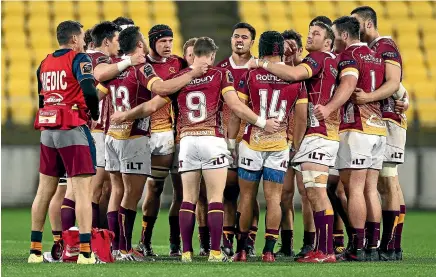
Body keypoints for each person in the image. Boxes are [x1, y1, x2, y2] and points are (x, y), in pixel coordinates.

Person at [111, 36, 280, 263]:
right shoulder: (220, 74)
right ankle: (215, 253)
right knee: (215, 199)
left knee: (188, 199)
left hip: (187, 141)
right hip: (212, 139)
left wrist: (125, 114)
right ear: (211, 55)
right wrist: (262, 122)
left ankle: (187, 252)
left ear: (194, 53)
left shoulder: (178, 77)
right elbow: (237, 106)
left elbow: (151, 106)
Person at [98, 26, 207, 261]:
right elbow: (161, 89)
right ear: (141, 44)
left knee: (117, 192)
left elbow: (97, 89)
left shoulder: (114, 66)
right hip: (134, 135)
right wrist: (191, 73)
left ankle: (115, 248)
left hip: (111, 136)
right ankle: (126, 249)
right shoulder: (141, 67)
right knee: (131, 195)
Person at [252, 22, 339, 263]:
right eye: (309, 33)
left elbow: (292, 74)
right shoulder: (329, 60)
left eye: (316, 34)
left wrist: (260, 62)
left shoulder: (318, 57)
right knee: (313, 193)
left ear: (328, 42)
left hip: (317, 134)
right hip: (321, 134)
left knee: (317, 194)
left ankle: (325, 250)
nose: (311, 36)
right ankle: (322, 248)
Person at [314, 16, 386, 261]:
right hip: (379, 129)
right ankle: (373, 247)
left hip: (357, 127)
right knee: (370, 189)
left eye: (334, 36)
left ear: (344, 36)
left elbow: (348, 84)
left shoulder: (349, 57)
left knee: (353, 188)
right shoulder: (376, 55)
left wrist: (329, 106)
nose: (333, 41)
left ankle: (356, 247)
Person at [29, 20, 100, 264]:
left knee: (43, 192)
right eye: (81, 37)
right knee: (82, 192)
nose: (84, 41)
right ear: (73, 39)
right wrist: (95, 113)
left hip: (47, 129)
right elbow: (89, 90)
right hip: (71, 127)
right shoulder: (79, 59)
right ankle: (85, 253)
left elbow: (41, 99)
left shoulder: (44, 62)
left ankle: (35, 251)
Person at [233, 31, 308, 263]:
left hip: (251, 142)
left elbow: (238, 110)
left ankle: (242, 250)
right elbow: (302, 117)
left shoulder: (251, 74)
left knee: (246, 197)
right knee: (274, 199)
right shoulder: (295, 78)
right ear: (281, 50)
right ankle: (268, 251)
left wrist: (232, 140)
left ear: (261, 49)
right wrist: (295, 144)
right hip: (279, 145)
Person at [351, 6, 408, 261]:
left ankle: (391, 244)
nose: (353, 28)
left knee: (388, 180)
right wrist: (403, 97)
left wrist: (369, 98)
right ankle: (391, 245)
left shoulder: (385, 46)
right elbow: (399, 88)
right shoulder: (368, 50)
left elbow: (394, 82)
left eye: (356, 24)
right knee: (386, 181)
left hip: (389, 119)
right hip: (378, 118)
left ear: (368, 24)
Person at [135, 24, 188, 257]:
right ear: (153, 41)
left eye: (170, 40)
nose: (168, 45)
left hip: (176, 133)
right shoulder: (142, 65)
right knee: (153, 188)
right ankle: (144, 240)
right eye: (163, 41)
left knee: (181, 191)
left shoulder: (179, 63)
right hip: (149, 133)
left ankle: (175, 243)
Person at [216, 22, 260, 257]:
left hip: (253, 138)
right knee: (228, 191)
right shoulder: (220, 69)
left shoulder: (260, 69)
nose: (239, 40)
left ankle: (249, 240)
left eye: (244, 37)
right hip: (227, 138)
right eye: (236, 36)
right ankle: (226, 240)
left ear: (252, 42)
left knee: (249, 193)